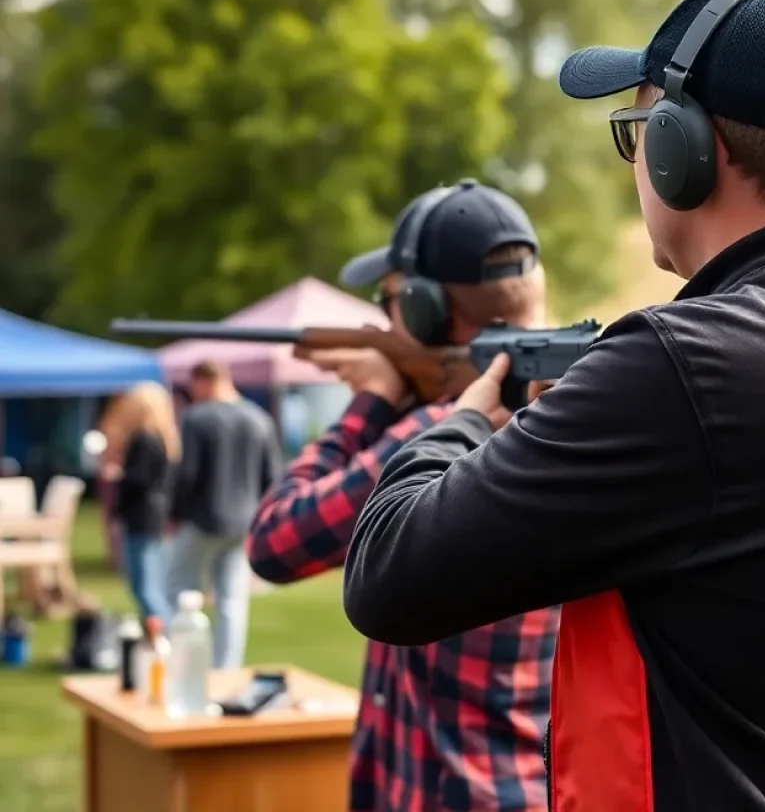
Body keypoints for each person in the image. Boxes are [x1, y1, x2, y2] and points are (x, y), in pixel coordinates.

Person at [342, 0, 765, 811]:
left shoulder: (681, 362)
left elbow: (388, 575)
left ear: (679, 146)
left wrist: (462, 419)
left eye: (636, 129)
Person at [247, 180, 559, 812]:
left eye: (389, 300)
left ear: (423, 310)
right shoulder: (571, 413)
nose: (383, 318)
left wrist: (370, 401)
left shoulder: (437, 437)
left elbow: (274, 542)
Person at [166, 360, 283, 669]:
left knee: (177, 591)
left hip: (202, 519)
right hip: (244, 522)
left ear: (202, 381)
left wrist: (174, 512)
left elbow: (188, 473)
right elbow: (272, 477)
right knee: (232, 600)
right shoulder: (259, 418)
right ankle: (225, 668)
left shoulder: (197, 417)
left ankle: (181, 664)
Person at [97, 382, 179, 623]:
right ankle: (162, 637)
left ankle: (165, 637)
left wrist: (117, 473)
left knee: (144, 587)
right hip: (155, 516)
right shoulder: (164, 438)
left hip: (141, 517)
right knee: (154, 583)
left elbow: (140, 479)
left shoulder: (144, 439)